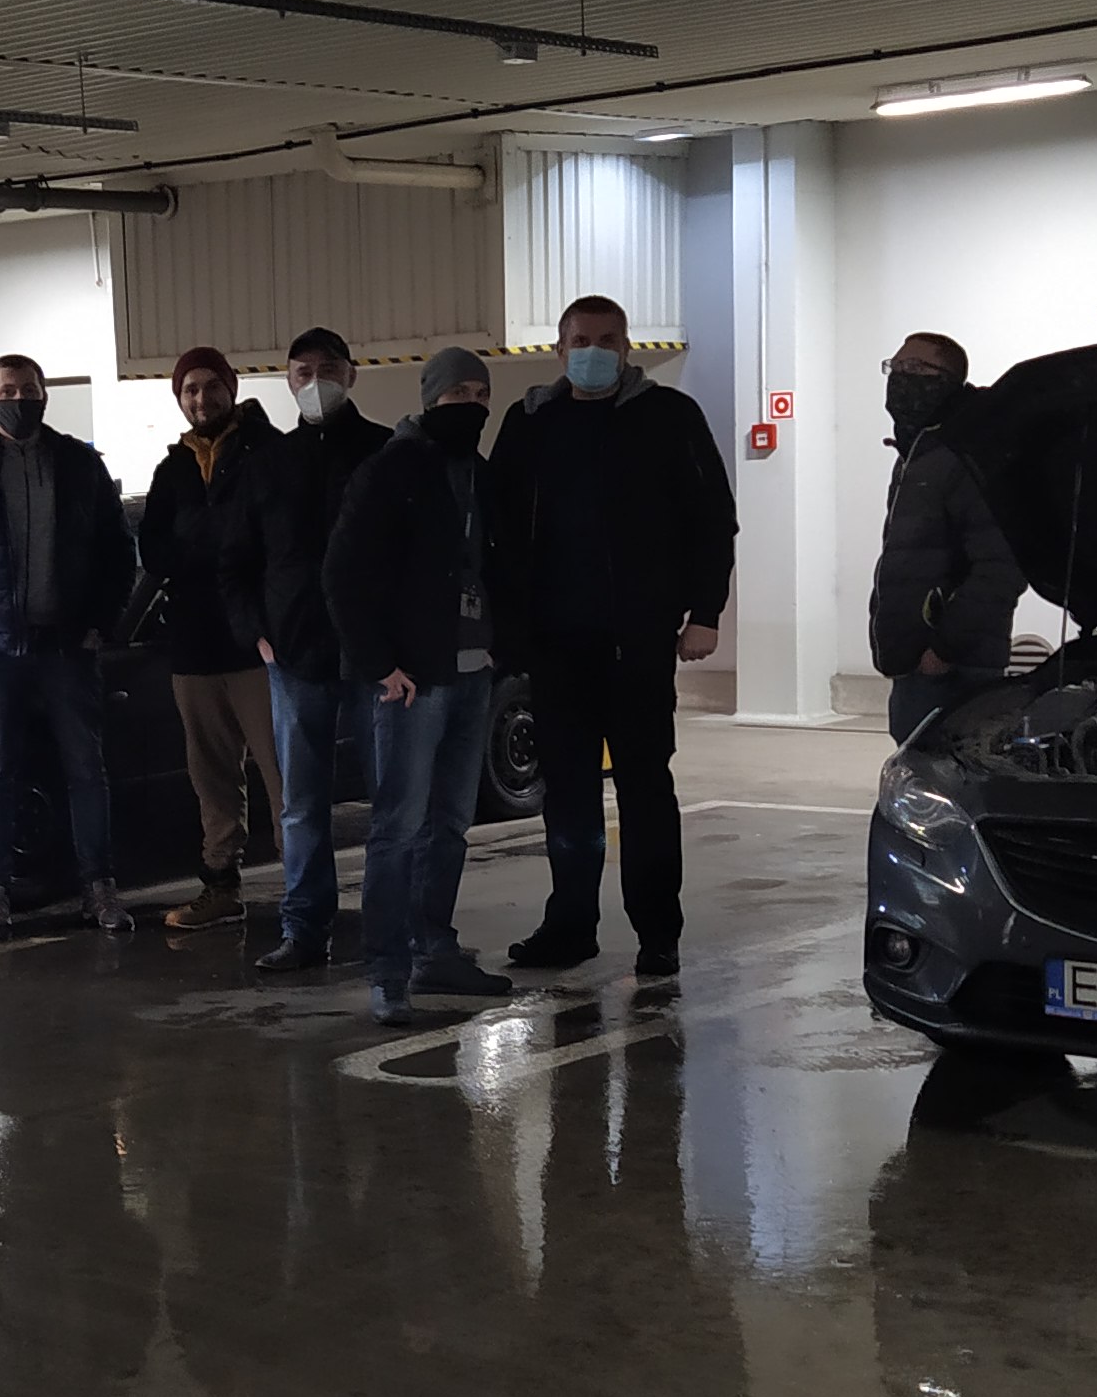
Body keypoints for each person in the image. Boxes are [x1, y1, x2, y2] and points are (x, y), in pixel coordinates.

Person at [482, 294, 735, 980]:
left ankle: (658, 932)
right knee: (566, 795)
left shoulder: (669, 417)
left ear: (627, 349)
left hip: (638, 645)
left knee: (645, 791)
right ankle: (570, 927)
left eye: (607, 340)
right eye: (580, 340)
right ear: (559, 350)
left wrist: (705, 611)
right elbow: (500, 531)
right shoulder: (530, 423)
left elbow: (713, 517)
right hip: (555, 648)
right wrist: (511, 630)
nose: (593, 351)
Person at [324, 348, 517, 1025]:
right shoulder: (391, 470)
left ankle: (436, 949)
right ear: (430, 398)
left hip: (473, 675)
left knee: (452, 826)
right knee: (398, 828)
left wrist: (501, 647)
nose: (472, 405)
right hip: (413, 682)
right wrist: (381, 664)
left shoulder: (481, 474)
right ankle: (388, 971)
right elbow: (344, 574)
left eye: (480, 393)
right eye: (458, 392)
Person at [0, 353, 138, 940]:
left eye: (29, 389)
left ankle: (99, 888)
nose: (19, 400)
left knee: (86, 770)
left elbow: (119, 551)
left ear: (45, 395)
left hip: (68, 646)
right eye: (9, 390)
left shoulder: (79, 464)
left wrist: (100, 624)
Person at [217, 326, 392, 971]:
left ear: (351, 375)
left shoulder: (386, 453)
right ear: (288, 380)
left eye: (328, 370)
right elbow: (234, 561)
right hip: (295, 655)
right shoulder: (268, 464)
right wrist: (255, 632)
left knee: (392, 801)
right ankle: (305, 930)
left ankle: (390, 927)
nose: (316, 383)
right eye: (303, 372)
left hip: (375, 656)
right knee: (301, 805)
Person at [140, 346, 283, 931]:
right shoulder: (172, 468)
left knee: (283, 776)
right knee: (212, 779)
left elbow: (269, 542)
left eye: (210, 386)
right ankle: (221, 886)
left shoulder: (268, 453)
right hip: (195, 647)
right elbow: (153, 551)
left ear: (232, 388)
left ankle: (307, 899)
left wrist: (202, 544)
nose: (201, 399)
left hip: (259, 646)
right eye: (190, 390)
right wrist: (212, 543)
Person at [870, 331, 1022, 743]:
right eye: (896, 366)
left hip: (952, 667)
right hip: (917, 662)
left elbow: (1002, 565)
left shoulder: (968, 454)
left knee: (945, 770)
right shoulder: (918, 453)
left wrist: (944, 649)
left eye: (916, 367)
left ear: (948, 379)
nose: (901, 377)